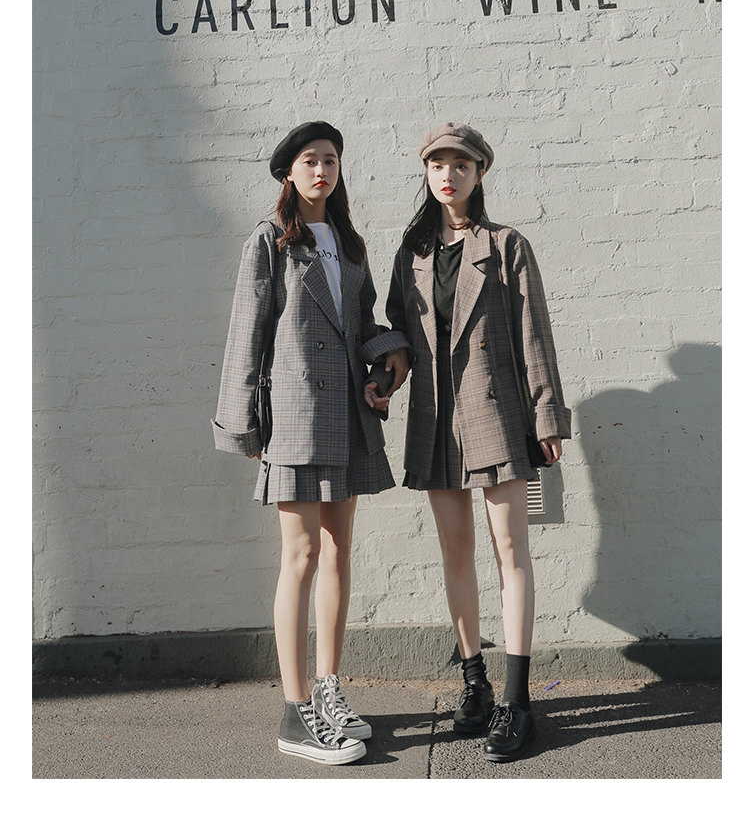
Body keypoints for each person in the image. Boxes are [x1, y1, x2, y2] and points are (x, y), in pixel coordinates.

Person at [367, 122, 571, 762]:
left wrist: (546, 417)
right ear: (426, 174)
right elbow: (400, 334)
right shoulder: (413, 252)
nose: (448, 175)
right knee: (456, 553)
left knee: (511, 552)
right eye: (437, 165)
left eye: (461, 165)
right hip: (435, 420)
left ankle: (517, 701)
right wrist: (383, 377)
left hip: (497, 414)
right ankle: (475, 684)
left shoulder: (507, 246)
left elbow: (534, 333)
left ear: (480, 173)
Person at [212, 122, 409, 765]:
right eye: (309, 161)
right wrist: (244, 423)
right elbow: (247, 332)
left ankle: (328, 689)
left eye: (330, 160)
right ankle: (295, 712)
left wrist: (391, 355)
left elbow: (363, 322)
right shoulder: (269, 242)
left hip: (346, 413)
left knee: (338, 551)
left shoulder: (348, 243)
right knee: (298, 557)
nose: (322, 170)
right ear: (288, 173)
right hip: (295, 416)